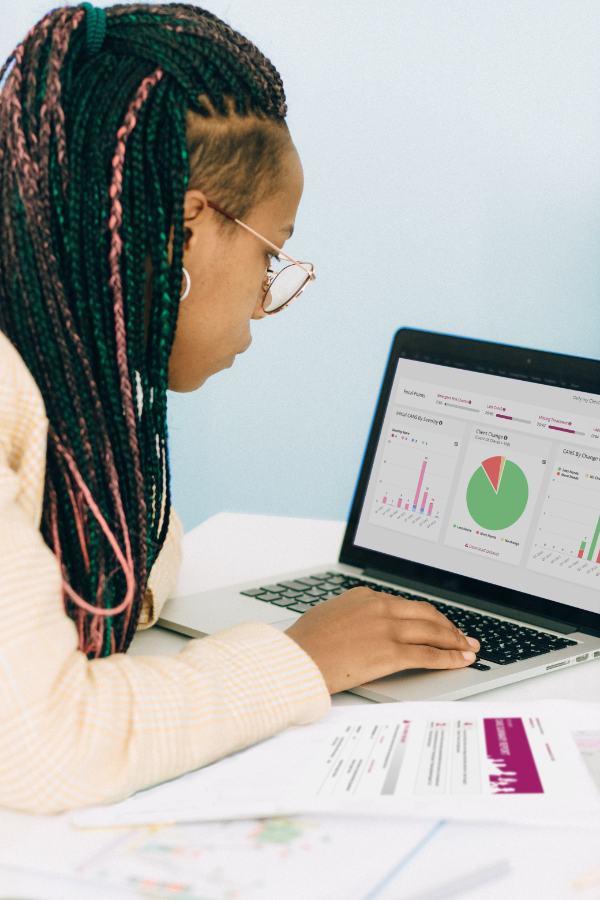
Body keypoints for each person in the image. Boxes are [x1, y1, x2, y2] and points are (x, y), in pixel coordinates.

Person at [0, 2, 479, 813]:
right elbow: (46, 750)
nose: (264, 300)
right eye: (272, 255)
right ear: (184, 231)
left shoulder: (53, 374)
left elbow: (144, 550)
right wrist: (303, 659)